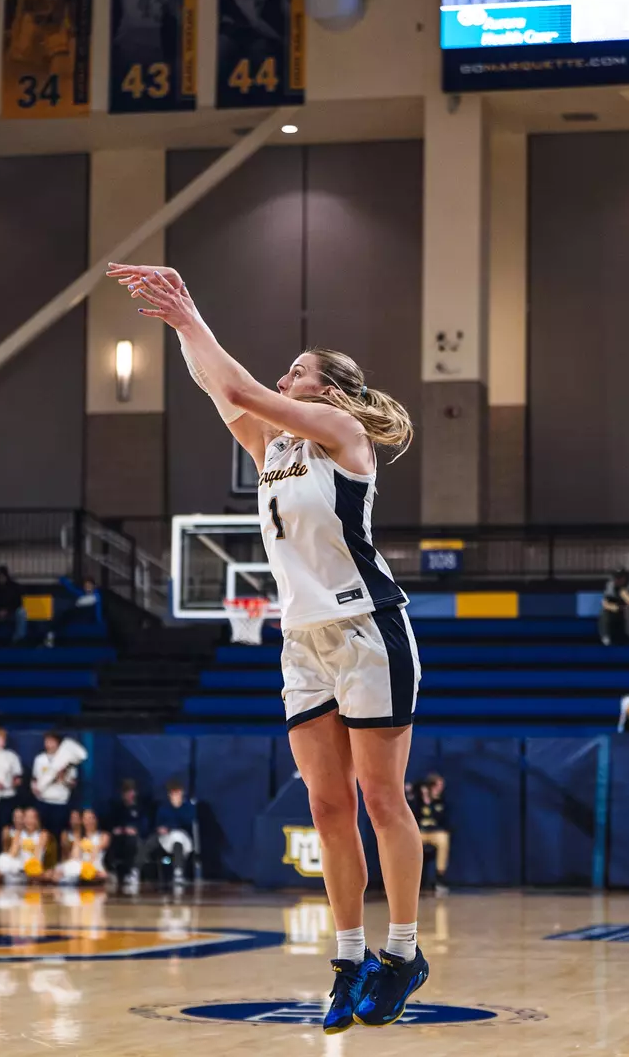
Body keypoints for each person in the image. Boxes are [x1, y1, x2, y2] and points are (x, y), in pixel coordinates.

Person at [108, 263, 426, 1032]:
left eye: (298, 371)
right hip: (301, 642)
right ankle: (349, 957)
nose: (285, 377)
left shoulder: (345, 437)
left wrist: (191, 313)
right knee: (324, 805)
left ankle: (404, 952)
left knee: (381, 798)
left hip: (366, 629)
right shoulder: (273, 449)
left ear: (330, 391)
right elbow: (226, 392)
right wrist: (184, 328)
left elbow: (244, 388)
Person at [31, 733, 79, 842]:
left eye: (52, 741)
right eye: (47, 741)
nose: (49, 744)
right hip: (43, 801)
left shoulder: (67, 760)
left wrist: (63, 779)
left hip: (60, 802)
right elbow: (34, 779)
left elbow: (73, 783)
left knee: (58, 834)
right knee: (41, 833)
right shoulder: (39, 759)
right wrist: (35, 790)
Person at [107, 779, 150, 893]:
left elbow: (144, 827)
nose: (130, 795)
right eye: (127, 792)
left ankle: (132, 871)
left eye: (131, 792)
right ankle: (112, 870)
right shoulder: (117, 807)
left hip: (136, 838)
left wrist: (135, 830)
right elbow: (112, 825)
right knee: (111, 840)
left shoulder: (140, 809)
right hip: (120, 837)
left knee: (133, 842)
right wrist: (121, 829)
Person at [154, 778, 197, 886]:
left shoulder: (188, 807)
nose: (176, 795)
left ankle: (178, 873)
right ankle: (135, 870)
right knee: (152, 841)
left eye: (178, 792)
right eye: (173, 793)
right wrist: (161, 828)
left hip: (183, 837)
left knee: (177, 839)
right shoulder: (163, 808)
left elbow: (187, 822)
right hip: (166, 837)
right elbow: (159, 823)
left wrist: (171, 825)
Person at [43, 577, 103, 648]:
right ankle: (50, 635)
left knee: (69, 612)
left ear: (93, 586)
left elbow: (97, 608)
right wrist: (63, 580)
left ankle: (51, 634)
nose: (87, 587)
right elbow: (72, 589)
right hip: (77, 613)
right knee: (62, 615)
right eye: (86, 586)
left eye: (89, 586)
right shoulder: (81, 594)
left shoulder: (96, 595)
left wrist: (98, 619)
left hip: (87, 615)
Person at [0, 806, 48, 884]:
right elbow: (12, 853)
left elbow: (37, 856)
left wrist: (29, 869)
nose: (29, 821)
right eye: (27, 817)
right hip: (20, 868)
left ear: (36, 820)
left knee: (37, 874)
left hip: (34, 867)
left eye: (32, 818)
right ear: (23, 819)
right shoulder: (18, 834)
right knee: (1, 864)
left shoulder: (43, 834)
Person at [53, 809, 108, 884]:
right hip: (81, 865)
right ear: (82, 821)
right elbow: (75, 856)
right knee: (60, 870)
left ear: (96, 819)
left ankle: (79, 878)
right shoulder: (79, 838)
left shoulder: (103, 836)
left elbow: (96, 850)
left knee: (102, 875)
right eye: (86, 819)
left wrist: (89, 866)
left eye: (92, 818)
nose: (89, 821)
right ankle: (78, 878)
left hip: (96, 864)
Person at [414, 774, 450, 890]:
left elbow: (441, 818)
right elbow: (415, 815)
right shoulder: (418, 800)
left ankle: (440, 877)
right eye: (438, 785)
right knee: (408, 843)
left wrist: (431, 804)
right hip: (420, 832)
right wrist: (425, 799)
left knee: (443, 840)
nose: (440, 787)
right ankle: (409, 878)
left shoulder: (441, 800)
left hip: (435, 832)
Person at [599, 568, 629, 646]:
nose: (618, 580)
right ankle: (605, 637)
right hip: (617, 610)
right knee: (604, 611)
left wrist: (622, 592)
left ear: (625, 578)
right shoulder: (610, 585)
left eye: (620, 577)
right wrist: (616, 608)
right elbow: (605, 603)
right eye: (616, 577)